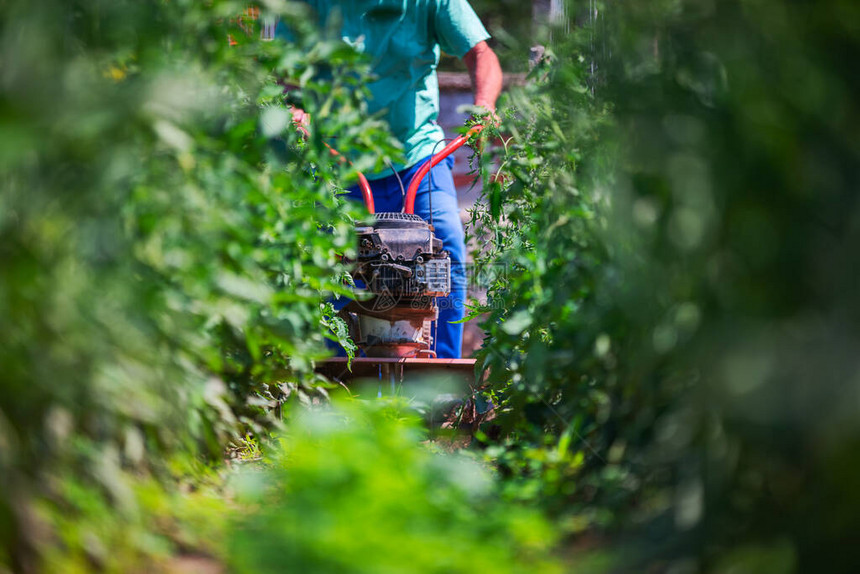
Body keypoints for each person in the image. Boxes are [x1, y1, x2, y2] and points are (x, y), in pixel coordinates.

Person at [280, 1, 502, 359]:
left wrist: (484, 103)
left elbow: (480, 54)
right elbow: (287, 75)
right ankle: (341, 383)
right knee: (332, 271)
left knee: (445, 253)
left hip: (418, 158)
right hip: (339, 164)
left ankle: (441, 380)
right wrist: (294, 109)